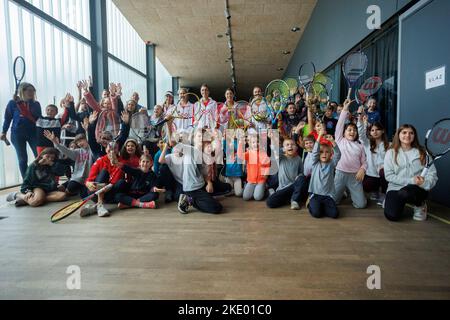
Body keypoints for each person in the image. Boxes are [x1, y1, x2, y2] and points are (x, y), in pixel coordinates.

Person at [383, 124, 438, 222]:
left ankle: (419, 205)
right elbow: (389, 176)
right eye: (404, 132)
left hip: (416, 188)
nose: (407, 135)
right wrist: (411, 180)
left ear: (414, 136)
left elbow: (432, 174)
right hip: (395, 188)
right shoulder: (390, 152)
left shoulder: (423, 152)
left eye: (411, 133)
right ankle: (392, 200)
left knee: (406, 192)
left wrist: (424, 183)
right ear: (398, 135)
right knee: (392, 216)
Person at [159, 138, 223, 214]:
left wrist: (209, 183)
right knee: (217, 207)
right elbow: (160, 160)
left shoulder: (188, 155)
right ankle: (190, 200)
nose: (177, 150)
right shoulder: (170, 157)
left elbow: (202, 171)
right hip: (186, 186)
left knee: (225, 188)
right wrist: (166, 146)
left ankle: (193, 198)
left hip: (197, 184)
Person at [1, 82, 41, 178]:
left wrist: (20, 103)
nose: (31, 93)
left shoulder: (36, 104)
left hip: (33, 133)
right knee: (22, 159)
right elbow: (7, 118)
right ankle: (26, 182)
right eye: (29, 90)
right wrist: (3, 131)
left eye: (33, 91)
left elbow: (35, 117)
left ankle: (40, 178)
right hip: (17, 134)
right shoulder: (12, 103)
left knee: (40, 156)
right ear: (22, 91)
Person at [333, 99, 368, 209]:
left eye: (354, 130)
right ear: (343, 132)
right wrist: (345, 109)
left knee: (361, 205)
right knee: (332, 201)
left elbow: (364, 162)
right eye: (349, 130)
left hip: (354, 177)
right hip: (340, 174)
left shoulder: (360, 145)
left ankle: (350, 191)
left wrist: (362, 169)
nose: (352, 132)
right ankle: (343, 191)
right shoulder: (339, 140)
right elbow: (339, 124)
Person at [43, 131, 93, 198]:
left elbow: (92, 140)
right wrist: (55, 142)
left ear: (86, 139)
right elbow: (66, 151)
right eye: (78, 142)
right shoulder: (77, 152)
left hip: (89, 179)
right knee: (68, 189)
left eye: (81, 140)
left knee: (84, 196)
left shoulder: (92, 150)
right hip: (77, 179)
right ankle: (46, 194)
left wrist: (87, 130)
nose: (79, 143)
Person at [82, 142, 124, 217]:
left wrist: (116, 163)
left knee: (121, 183)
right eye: (110, 148)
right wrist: (88, 183)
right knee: (104, 172)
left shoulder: (121, 162)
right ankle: (100, 204)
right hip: (95, 191)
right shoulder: (100, 160)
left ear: (118, 150)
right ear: (106, 149)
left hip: (109, 192)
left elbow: (114, 182)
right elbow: (89, 179)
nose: (112, 151)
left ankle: (96, 207)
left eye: (115, 148)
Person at [266, 136, 308, 210]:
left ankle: (294, 200)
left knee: (302, 178)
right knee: (270, 202)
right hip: (283, 189)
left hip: (294, 188)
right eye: (287, 145)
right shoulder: (281, 158)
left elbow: (301, 173)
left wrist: (299, 179)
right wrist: (273, 139)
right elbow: (275, 151)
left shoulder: (298, 159)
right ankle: (288, 198)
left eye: (292, 144)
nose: (290, 146)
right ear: (283, 148)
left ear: (296, 148)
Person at [357, 110, 389, 205]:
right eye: (372, 130)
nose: (375, 132)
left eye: (377, 129)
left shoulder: (388, 145)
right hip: (371, 174)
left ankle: (384, 194)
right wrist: (360, 119)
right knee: (365, 186)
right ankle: (375, 191)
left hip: (384, 176)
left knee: (383, 173)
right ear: (370, 132)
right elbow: (361, 134)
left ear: (382, 131)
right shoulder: (367, 144)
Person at [307, 131, 341, 219]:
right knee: (317, 214)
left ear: (330, 154)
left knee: (334, 215)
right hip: (315, 194)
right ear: (318, 154)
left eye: (327, 152)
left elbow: (338, 154)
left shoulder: (332, 163)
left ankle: (321, 206)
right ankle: (310, 202)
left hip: (327, 196)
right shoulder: (315, 163)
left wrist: (332, 141)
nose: (324, 154)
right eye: (321, 152)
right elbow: (315, 152)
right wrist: (319, 137)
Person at [237, 132, 271, 201]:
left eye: (258, 142)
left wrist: (266, 174)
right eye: (253, 142)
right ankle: (252, 189)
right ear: (250, 144)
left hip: (261, 180)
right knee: (246, 197)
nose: (256, 144)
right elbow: (240, 155)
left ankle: (266, 189)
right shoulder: (249, 153)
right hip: (251, 180)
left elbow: (267, 165)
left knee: (257, 197)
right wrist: (240, 143)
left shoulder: (263, 153)